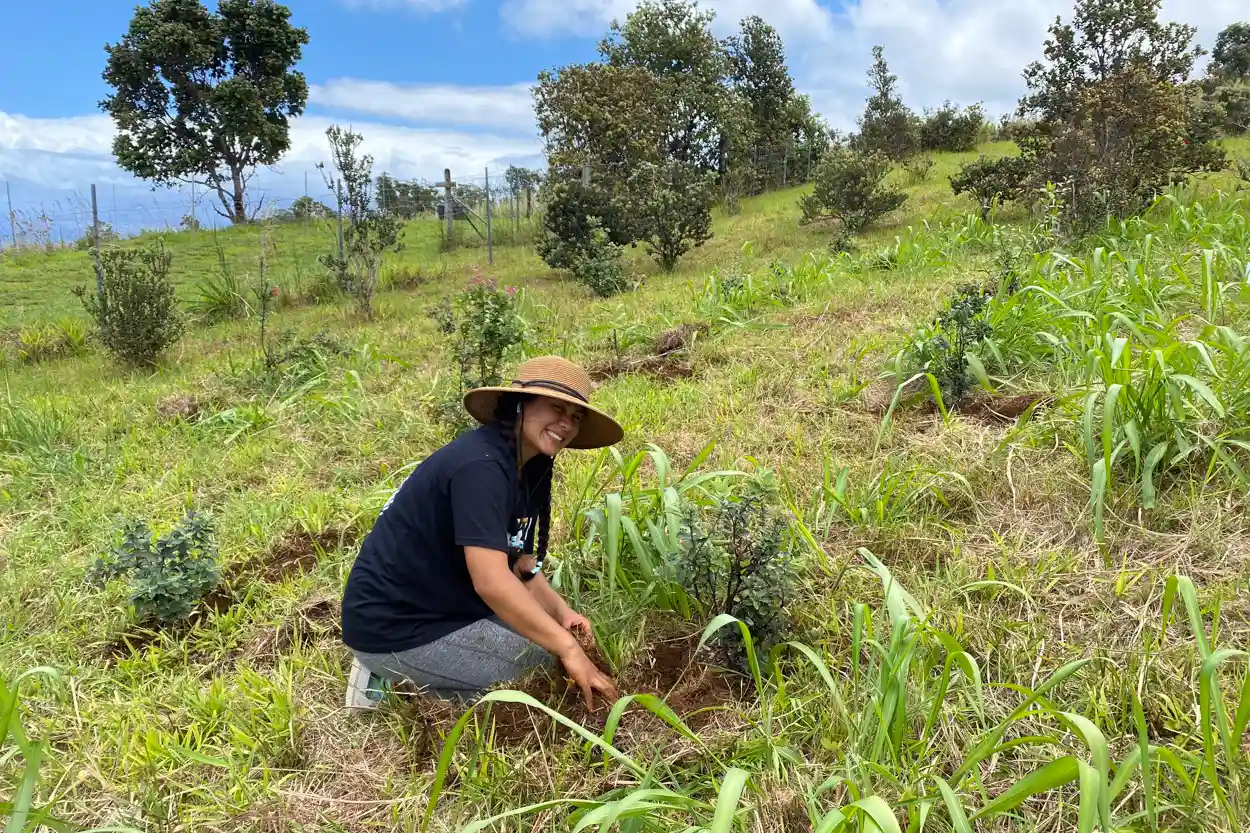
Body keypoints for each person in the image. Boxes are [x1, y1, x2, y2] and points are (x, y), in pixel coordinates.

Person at [341, 356, 622, 711]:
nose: (566, 424)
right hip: (397, 624)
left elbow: (521, 565)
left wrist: (561, 612)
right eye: (556, 408)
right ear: (520, 404)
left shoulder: (527, 466)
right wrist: (567, 648)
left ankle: (425, 672)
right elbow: (491, 582)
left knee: (551, 636)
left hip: (448, 603)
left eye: (576, 416)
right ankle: (387, 684)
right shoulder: (481, 467)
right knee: (537, 675)